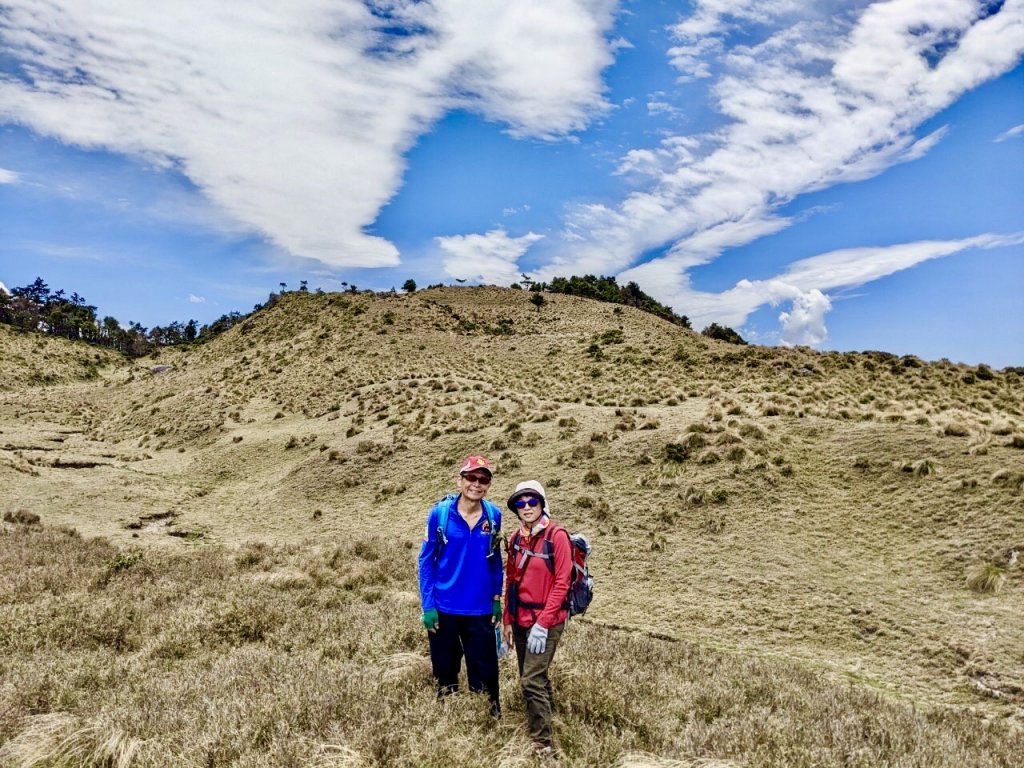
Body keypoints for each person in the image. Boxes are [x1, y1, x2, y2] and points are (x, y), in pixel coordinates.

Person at [418, 455, 504, 717]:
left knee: (486, 673)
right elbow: (425, 561)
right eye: (471, 478)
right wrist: (428, 605)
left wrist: (497, 599)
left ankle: (489, 720)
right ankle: (449, 722)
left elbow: (495, 559)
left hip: (479, 610)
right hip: (444, 609)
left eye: (483, 479)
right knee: (445, 671)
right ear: (460, 480)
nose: (476, 484)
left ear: (488, 484)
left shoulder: (494, 515)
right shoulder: (440, 515)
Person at [501, 480, 572, 754]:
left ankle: (543, 742)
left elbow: (562, 582)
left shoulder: (557, 536)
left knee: (530, 679)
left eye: (532, 502)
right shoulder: (517, 539)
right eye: (521, 503)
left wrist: (543, 624)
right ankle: (549, 716)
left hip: (548, 621)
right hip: (520, 619)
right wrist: (507, 620)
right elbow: (512, 581)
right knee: (532, 676)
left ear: (542, 504)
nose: (527, 507)